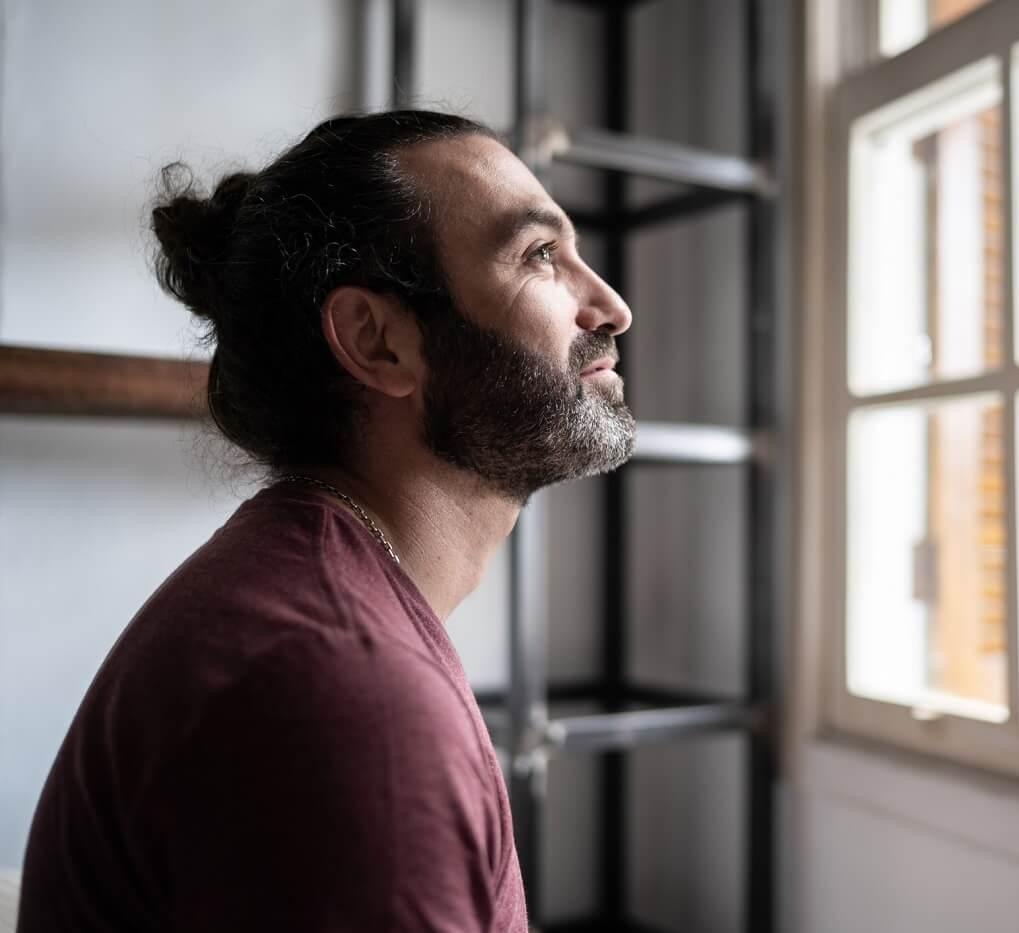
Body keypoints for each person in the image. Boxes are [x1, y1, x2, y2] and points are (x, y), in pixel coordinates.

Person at [17, 110, 635, 932]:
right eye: (539, 256)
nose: (612, 307)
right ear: (377, 342)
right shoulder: (349, 696)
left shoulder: (317, 597)